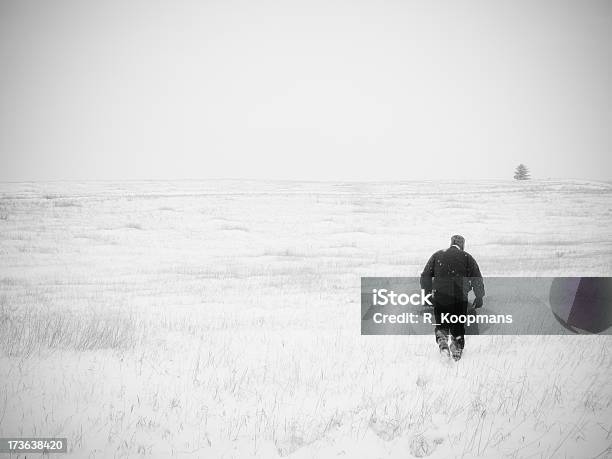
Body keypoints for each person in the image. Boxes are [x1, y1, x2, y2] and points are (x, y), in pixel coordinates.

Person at [420, 235, 485, 361]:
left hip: (440, 295)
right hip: (459, 296)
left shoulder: (437, 255)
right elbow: (477, 278)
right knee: (457, 325)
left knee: (442, 324)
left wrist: (427, 294)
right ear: (462, 245)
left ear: (451, 243)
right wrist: (479, 296)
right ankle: (456, 350)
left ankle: (443, 343)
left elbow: (425, 276)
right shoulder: (467, 257)